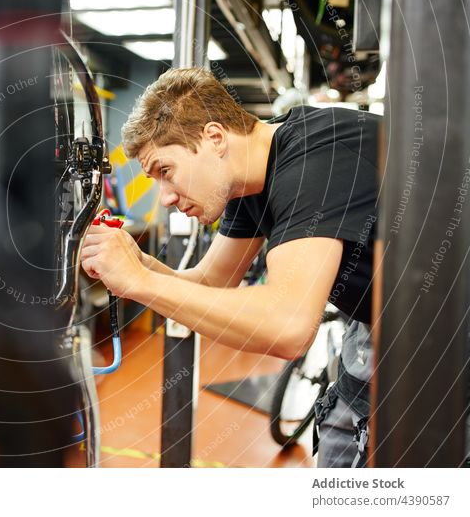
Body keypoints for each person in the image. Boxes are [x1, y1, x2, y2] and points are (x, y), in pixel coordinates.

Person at [80, 67, 378, 467]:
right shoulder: (247, 180)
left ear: (215, 137)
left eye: (165, 171)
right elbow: (211, 282)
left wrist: (138, 282)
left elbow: (288, 327)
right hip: (377, 322)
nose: (164, 197)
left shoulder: (312, 157)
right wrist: (136, 264)